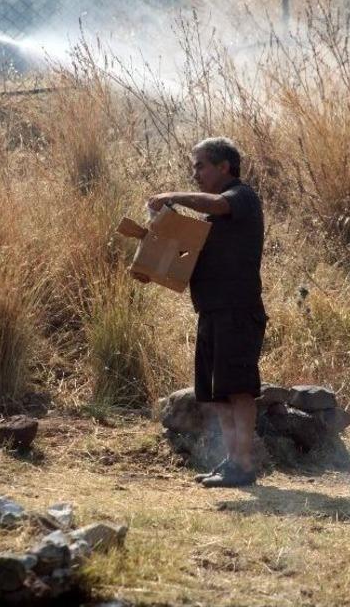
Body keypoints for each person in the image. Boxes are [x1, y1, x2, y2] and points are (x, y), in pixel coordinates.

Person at [138, 137, 267, 488]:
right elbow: (186, 260)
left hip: (238, 310)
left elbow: (218, 203)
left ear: (224, 167)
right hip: (211, 312)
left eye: (201, 166)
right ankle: (232, 462)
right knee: (218, 394)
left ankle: (243, 464)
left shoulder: (242, 198)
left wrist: (172, 196)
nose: (195, 174)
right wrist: (153, 261)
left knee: (239, 390)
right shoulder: (212, 218)